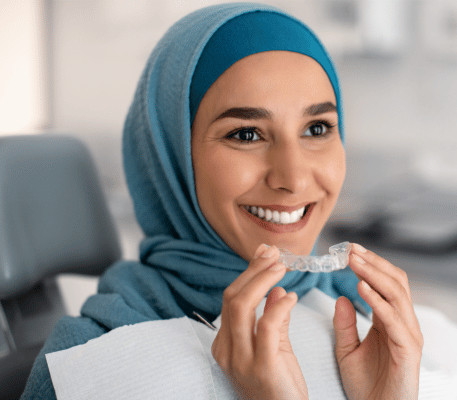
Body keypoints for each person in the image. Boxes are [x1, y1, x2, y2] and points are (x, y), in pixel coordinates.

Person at [21, 3, 423, 399]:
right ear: (171, 157)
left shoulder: (373, 319)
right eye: (246, 134)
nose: (294, 178)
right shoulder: (88, 368)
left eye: (317, 128)